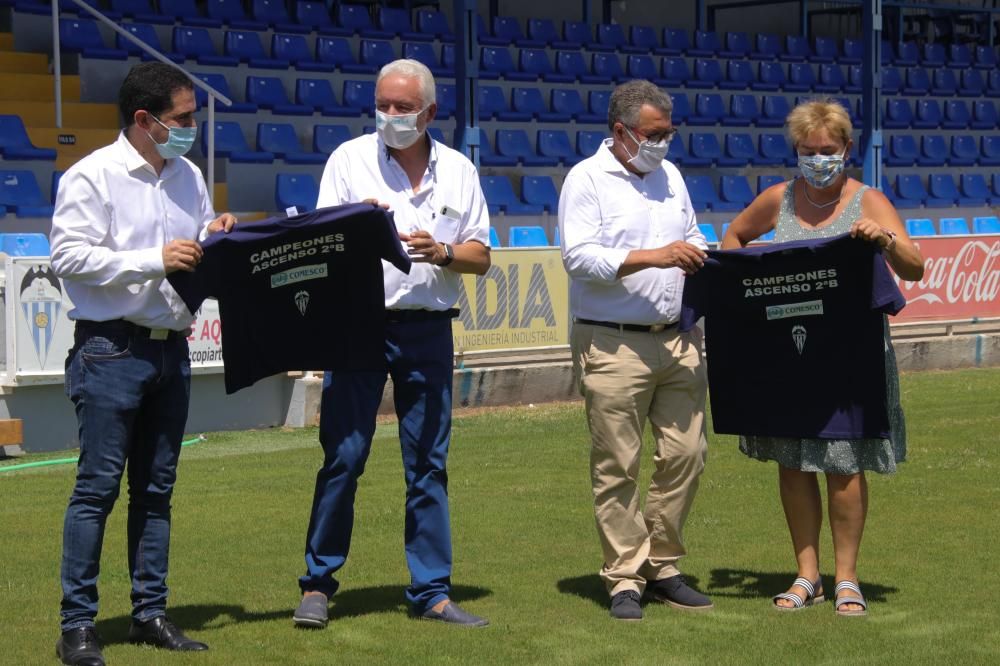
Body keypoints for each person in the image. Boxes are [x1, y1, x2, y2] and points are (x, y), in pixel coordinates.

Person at [49, 62, 237, 666]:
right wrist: (153, 259)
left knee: (157, 490)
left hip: (169, 347)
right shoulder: (91, 175)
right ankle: (77, 626)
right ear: (143, 119)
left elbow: (195, 241)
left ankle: (150, 613)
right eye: (181, 119)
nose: (190, 129)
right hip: (109, 347)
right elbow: (68, 258)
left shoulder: (187, 176)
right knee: (96, 489)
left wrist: (217, 231)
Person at [293, 59, 491, 629]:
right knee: (344, 456)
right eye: (383, 104)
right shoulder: (348, 160)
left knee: (428, 462)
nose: (390, 115)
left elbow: (481, 254)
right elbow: (319, 241)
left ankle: (431, 591)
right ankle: (317, 584)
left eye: (403, 107)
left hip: (428, 328)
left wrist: (445, 253)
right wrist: (359, 225)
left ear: (430, 112)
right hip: (356, 325)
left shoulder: (458, 170)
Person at [721, 99, 924, 615]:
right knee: (792, 464)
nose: (818, 159)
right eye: (808, 151)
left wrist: (884, 240)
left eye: (827, 150)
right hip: (788, 359)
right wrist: (750, 283)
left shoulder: (869, 201)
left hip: (851, 359)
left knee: (844, 466)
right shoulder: (778, 199)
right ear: (795, 151)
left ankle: (848, 579)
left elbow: (915, 267)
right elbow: (735, 236)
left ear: (847, 149)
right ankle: (806, 575)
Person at [558, 79, 713, 622]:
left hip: (677, 337)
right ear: (621, 132)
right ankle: (625, 575)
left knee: (687, 455)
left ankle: (663, 564)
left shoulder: (671, 176)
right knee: (617, 464)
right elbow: (579, 257)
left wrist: (695, 251)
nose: (663, 143)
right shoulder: (586, 179)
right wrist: (655, 256)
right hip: (611, 340)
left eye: (668, 133)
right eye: (654, 134)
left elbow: (691, 232)